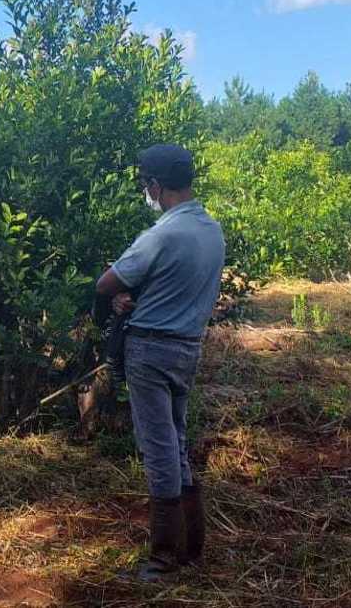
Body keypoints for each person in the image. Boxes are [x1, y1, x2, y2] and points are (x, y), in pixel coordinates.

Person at [94, 144, 225, 581]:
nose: (146, 193)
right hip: (188, 346)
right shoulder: (212, 230)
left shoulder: (161, 234)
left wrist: (120, 295)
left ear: (155, 185)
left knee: (159, 447)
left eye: (145, 185)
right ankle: (193, 544)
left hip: (150, 350)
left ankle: (161, 558)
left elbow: (107, 281)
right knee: (177, 437)